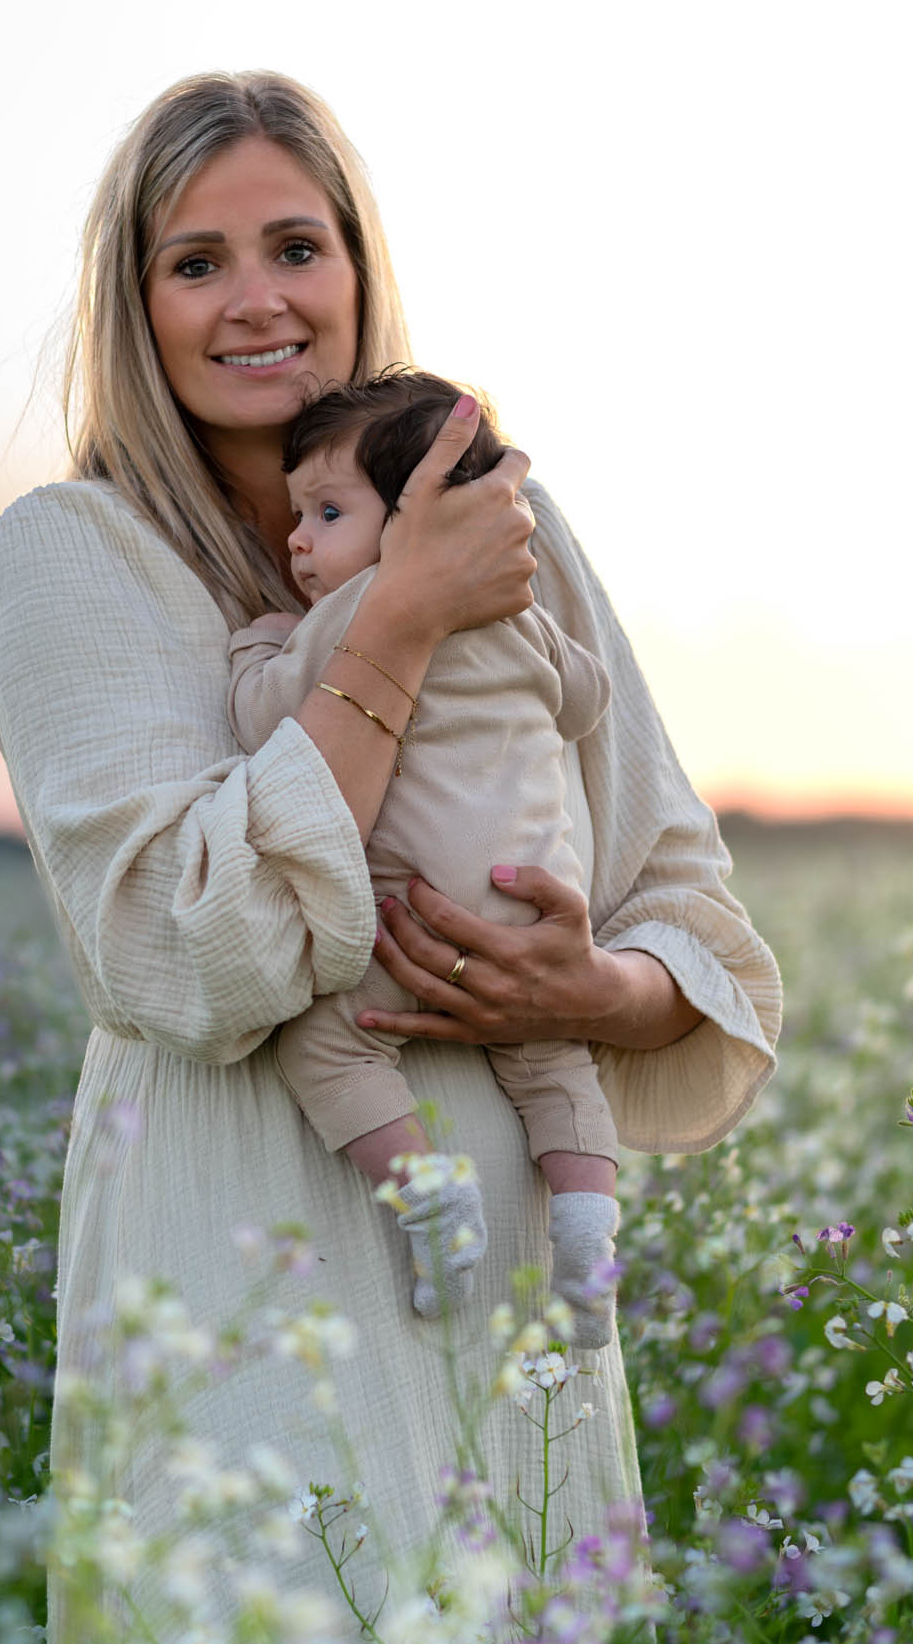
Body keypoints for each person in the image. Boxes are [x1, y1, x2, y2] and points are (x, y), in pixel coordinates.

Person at [0, 70, 782, 1644]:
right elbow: (184, 949)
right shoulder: (76, 555)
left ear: (357, 267)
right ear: (136, 304)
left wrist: (604, 992)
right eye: (198, 261)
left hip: (503, 1258)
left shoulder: (497, 503)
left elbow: (681, 890)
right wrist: (398, 616)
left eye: (296, 243)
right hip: (234, 1245)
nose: (256, 296)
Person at [228, 367, 623, 1343]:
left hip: (411, 909)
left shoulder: (361, 609)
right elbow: (586, 698)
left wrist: (257, 651)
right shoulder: (520, 615)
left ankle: (431, 1199)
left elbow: (265, 722)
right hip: (533, 906)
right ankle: (586, 1236)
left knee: (324, 1038)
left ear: (418, 521)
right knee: (557, 1067)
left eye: (327, 510)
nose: (299, 539)